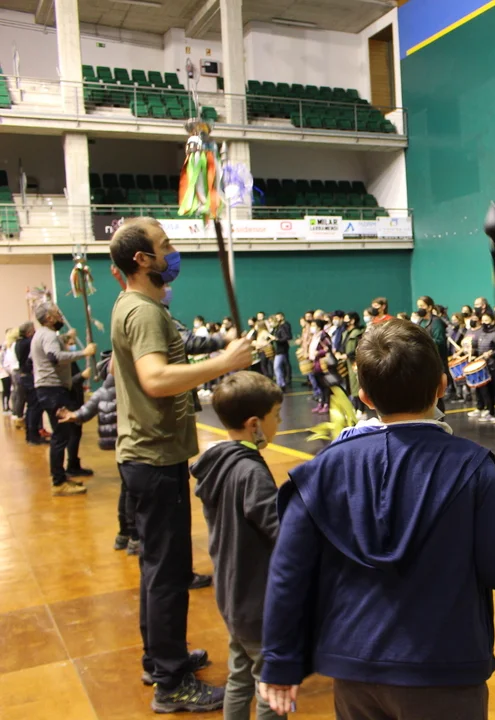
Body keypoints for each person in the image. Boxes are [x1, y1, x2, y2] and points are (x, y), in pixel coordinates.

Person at [258, 320, 495, 718]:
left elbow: (288, 571)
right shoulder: (472, 466)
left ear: (364, 397)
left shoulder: (321, 470)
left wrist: (279, 660)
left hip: (354, 669)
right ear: (442, 386)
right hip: (444, 668)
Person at [109, 217, 254, 712]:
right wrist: (226, 363)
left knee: (158, 568)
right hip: (154, 455)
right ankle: (172, 684)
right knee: (169, 573)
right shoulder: (143, 312)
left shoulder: (135, 306)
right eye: (165, 245)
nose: (173, 252)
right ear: (142, 260)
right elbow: (155, 379)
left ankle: (160, 659)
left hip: (149, 453)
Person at [191, 372, 283, 720]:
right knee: (273, 685)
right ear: (254, 424)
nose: (280, 423)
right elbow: (280, 531)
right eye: (276, 415)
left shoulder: (220, 462)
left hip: (232, 594)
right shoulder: (251, 472)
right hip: (258, 600)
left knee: (240, 676)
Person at [59, 353, 133, 549]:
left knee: (127, 488)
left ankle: (123, 534)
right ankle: (134, 537)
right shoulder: (128, 389)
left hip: (118, 446)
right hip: (131, 444)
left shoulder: (103, 391)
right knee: (132, 491)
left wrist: (73, 415)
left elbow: (84, 412)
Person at [30, 302, 97, 496]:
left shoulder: (43, 334)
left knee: (63, 434)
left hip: (50, 390)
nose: (60, 316)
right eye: (57, 314)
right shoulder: (48, 335)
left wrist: (67, 338)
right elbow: (55, 357)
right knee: (60, 436)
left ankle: (61, 477)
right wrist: (84, 353)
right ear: (48, 318)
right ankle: (58, 482)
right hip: (53, 391)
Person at [472, 310, 495, 424]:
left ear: (493, 321)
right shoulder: (482, 334)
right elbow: (479, 348)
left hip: (493, 367)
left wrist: (491, 353)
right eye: (483, 320)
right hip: (484, 367)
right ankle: (491, 413)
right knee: (487, 392)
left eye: (487, 320)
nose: (484, 323)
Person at [272, 312, 293, 390]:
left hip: (282, 350)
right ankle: (282, 382)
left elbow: (287, 337)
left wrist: (277, 339)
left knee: (278, 366)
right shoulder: (277, 328)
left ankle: (281, 382)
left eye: (278, 317)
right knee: (280, 366)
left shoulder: (284, 326)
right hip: (279, 350)